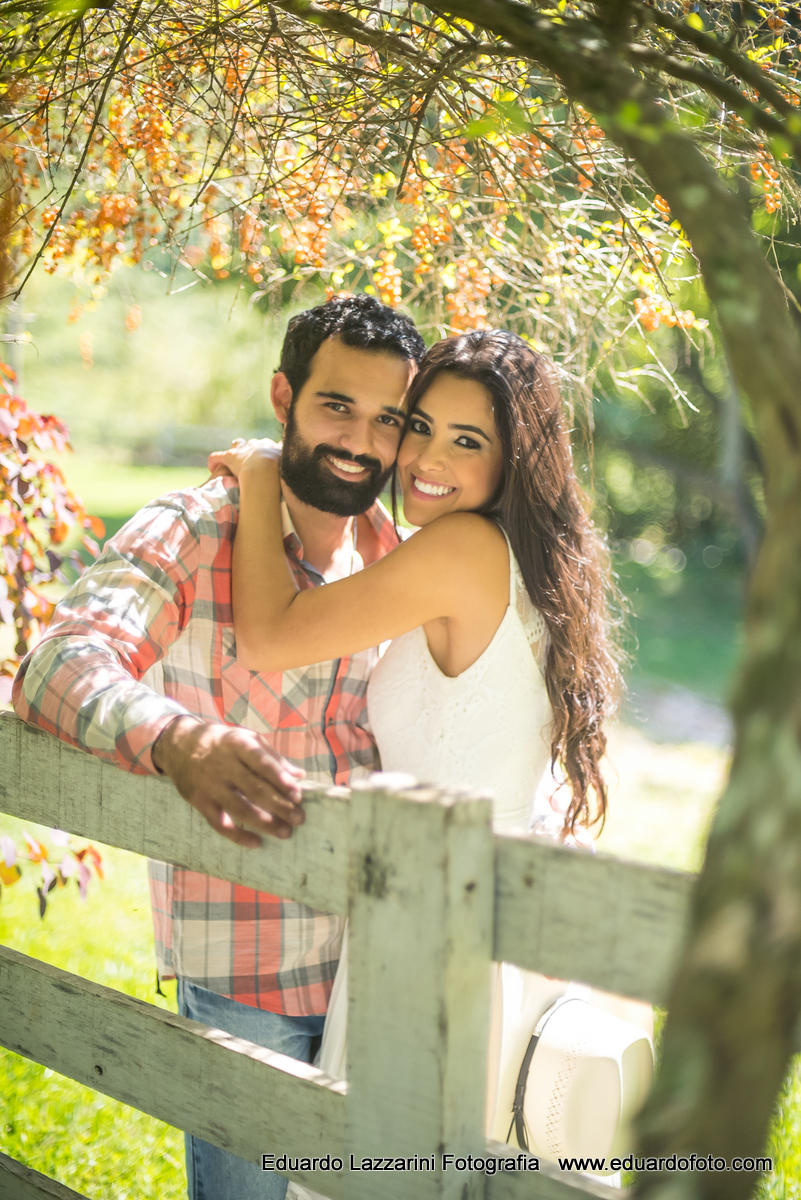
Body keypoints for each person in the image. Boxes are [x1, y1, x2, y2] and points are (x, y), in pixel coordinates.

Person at [12, 293, 427, 1200]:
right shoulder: (198, 527)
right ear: (284, 397)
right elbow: (58, 660)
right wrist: (175, 738)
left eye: (386, 419)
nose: (360, 440)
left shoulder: (391, 551)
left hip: (376, 964)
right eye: (335, 407)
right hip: (248, 966)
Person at [208, 328, 627, 1169]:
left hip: (438, 921)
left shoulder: (463, 549)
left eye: (466, 440)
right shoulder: (532, 556)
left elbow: (266, 636)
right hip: (486, 901)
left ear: (515, 459)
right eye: (419, 425)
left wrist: (262, 476)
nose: (424, 457)